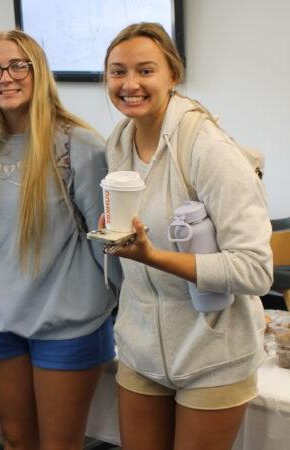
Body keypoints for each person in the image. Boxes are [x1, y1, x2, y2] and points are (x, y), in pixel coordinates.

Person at [102, 23, 272, 450]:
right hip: (141, 349)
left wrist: (154, 257)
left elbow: (255, 270)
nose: (130, 84)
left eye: (145, 70)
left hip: (212, 353)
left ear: (172, 75)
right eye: (117, 72)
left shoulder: (208, 148)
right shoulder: (118, 143)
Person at [0, 30, 116, 450]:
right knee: (15, 439)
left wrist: (112, 308)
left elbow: (107, 243)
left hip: (67, 325)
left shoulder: (79, 146)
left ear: (38, 72)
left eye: (18, 65)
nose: (5, 77)